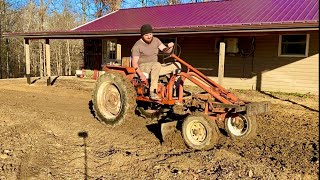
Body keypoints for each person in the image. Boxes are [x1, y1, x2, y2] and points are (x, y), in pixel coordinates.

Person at [131, 24, 181, 100]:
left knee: (177, 65)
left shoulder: (156, 40)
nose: (149, 36)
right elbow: (134, 63)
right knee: (157, 65)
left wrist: (170, 47)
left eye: (150, 34)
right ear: (142, 36)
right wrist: (141, 75)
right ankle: (152, 92)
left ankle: (176, 89)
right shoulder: (137, 46)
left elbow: (165, 50)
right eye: (146, 35)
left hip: (155, 68)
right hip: (144, 67)